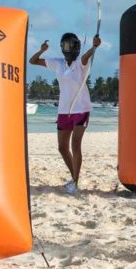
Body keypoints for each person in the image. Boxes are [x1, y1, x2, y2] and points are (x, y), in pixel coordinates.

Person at [29, 32, 101, 195]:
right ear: (62, 47)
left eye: (72, 45)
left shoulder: (80, 63)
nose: (69, 48)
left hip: (81, 108)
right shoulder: (58, 64)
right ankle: (73, 176)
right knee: (62, 147)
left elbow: (87, 56)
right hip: (64, 111)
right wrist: (42, 50)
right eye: (66, 45)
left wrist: (94, 46)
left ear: (76, 47)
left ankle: (75, 182)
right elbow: (32, 61)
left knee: (75, 144)